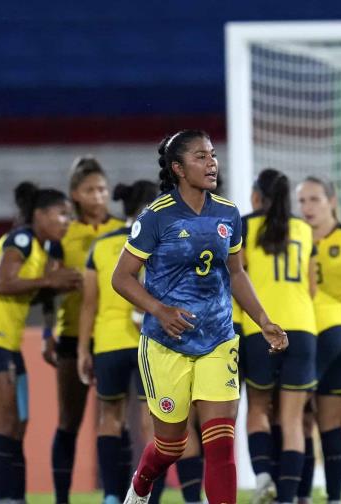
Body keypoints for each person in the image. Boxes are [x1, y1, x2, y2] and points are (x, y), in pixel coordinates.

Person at [113, 130, 288, 504]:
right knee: (171, 446)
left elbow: (236, 273)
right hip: (166, 344)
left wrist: (263, 319)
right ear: (177, 168)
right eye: (200, 157)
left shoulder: (227, 213)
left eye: (212, 155)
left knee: (221, 442)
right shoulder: (155, 217)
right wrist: (159, 310)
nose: (212, 163)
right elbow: (120, 277)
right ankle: (141, 484)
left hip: (219, 339)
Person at [76, 180, 205, 504]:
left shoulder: (102, 245)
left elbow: (88, 303)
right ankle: (183, 498)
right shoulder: (165, 237)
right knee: (160, 424)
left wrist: (82, 349)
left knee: (110, 418)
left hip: (109, 344)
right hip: (154, 343)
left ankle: (109, 496)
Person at [0, 182, 81, 504]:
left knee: (18, 427)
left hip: (9, 347)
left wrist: (47, 332)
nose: (67, 221)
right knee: (5, 425)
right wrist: (50, 280)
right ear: (40, 215)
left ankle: (16, 498)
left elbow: (41, 294)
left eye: (70, 216)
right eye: (61, 214)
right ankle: (7, 500)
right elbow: (3, 283)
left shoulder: (45, 250)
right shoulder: (22, 239)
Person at [49, 157, 125, 504]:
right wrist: (47, 330)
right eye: (91, 190)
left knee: (119, 417)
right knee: (69, 420)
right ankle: (62, 498)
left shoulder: (124, 230)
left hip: (115, 332)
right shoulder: (64, 234)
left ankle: (121, 493)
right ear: (75, 195)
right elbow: (50, 287)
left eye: (104, 189)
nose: (99, 196)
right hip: (70, 334)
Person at [241, 168, 317, 504]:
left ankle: (262, 478)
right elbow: (312, 288)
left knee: (258, 407)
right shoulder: (304, 229)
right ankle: (286, 498)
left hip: (259, 327)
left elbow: (234, 275)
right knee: (292, 419)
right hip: (302, 328)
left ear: (257, 196)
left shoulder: (244, 226)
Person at [297, 176, 341, 504]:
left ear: (332, 201)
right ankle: (319, 496)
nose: (307, 208)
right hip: (307, 335)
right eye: (302, 201)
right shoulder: (294, 238)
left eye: (314, 199)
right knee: (309, 416)